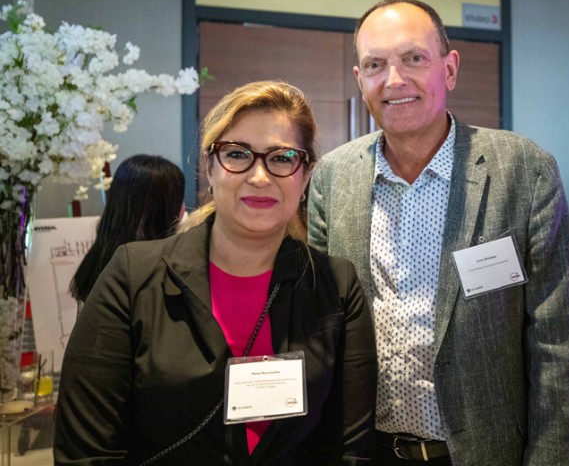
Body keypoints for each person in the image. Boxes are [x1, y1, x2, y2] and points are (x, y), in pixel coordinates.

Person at [307, 0, 569, 465]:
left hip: (485, 450)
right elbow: (319, 324)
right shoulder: (332, 177)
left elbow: (557, 344)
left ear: (449, 69)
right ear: (360, 81)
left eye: (413, 58)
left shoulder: (523, 170)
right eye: (375, 64)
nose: (395, 80)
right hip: (364, 450)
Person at [54, 81, 377, 465]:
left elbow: (347, 450)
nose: (259, 176)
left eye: (282, 157)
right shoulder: (132, 277)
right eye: (237, 154)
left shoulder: (337, 287)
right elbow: (87, 453)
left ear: (305, 175)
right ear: (209, 167)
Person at [69, 154, 186, 304]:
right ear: (160, 212)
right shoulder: (149, 276)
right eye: (178, 200)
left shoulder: (98, 262)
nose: (183, 208)